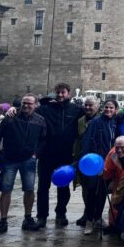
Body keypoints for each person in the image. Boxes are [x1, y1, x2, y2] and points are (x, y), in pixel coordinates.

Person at [0, 94, 46, 236]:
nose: (26, 105)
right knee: (6, 189)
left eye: (29, 103)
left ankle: (27, 218)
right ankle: (3, 220)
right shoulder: (11, 117)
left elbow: (44, 139)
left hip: (28, 159)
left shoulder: (40, 120)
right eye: (24, 103)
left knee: (29, 189)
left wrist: (36, 153)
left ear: (35, 105)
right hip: (9, 159)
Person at [33, 82, 84, 228]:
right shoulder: (46, 109)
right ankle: (42, 216)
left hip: (65, 154)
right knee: (43, 187)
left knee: (63, 186)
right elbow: (29, 110)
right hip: (47, 153)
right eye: (58, 92)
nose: (60, 95)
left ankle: (61, 213)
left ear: (69, 93)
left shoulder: (76, 110)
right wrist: (12, 109)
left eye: (63, 92)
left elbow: (91, 115)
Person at [79, 99, 118, 235]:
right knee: (91, 191)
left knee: (102, 192)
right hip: (95, 162)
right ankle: (89, 219)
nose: (108, 110)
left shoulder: (115, 122)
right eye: (106, 107)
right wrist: (87, 161)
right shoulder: (96, 122)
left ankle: (97, 218)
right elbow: (87, 141)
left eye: (111, 108)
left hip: (109, 164)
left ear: (115, 110)